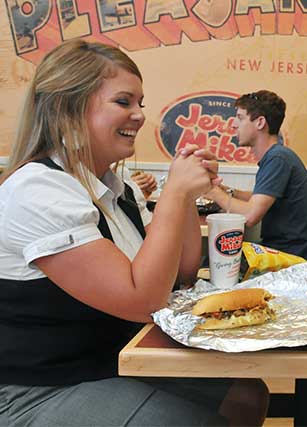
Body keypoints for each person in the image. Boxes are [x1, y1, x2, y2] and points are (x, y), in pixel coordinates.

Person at [0, 39, 268, 427]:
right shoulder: (38, 190)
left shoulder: (114, 188)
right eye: (124, 102)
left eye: (140, 102)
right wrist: (174, 192)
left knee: (246, 394)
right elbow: (143, 300)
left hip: (110, 360)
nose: (140, 115)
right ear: (67, 108)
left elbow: (181, 273)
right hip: (39, 387)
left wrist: (191, 196)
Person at [202, 90, 307, 261]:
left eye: (240, 118)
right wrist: (227, 191)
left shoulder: (277, 159)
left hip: (290, 258)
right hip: (283, 250)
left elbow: (250, 217)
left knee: (212, 259)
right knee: (216, 254)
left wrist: (211, 191)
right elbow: (261, 197)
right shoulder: (278, 156)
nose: (234, 124)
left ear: (260, 123)